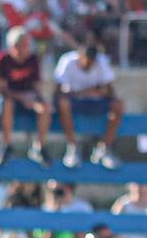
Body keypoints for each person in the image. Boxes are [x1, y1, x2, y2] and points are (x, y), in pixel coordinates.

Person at [52, 37, 122, 170]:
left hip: (95, 102)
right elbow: (57, 94)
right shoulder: (67, 61)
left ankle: (104, 148)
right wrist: (85, 91)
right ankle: (72, 146)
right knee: (63, 104)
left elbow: (111, 93)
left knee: (119, 106)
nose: (89, 65)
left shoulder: (101, 62)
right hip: (75, 102)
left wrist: (96, 92)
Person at [0, 27, 50, 163]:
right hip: (8, 99)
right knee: (8, 104)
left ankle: (40, 147)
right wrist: (21, 97)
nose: (25, 49)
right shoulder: (2, 60)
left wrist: (34, 98)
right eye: (22, 46)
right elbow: (1, 89)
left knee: (45, 108)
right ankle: (7, 146)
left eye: (27, 45)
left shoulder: (33, 60)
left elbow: (37, 86)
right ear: (13, 46)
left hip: (28, 98)